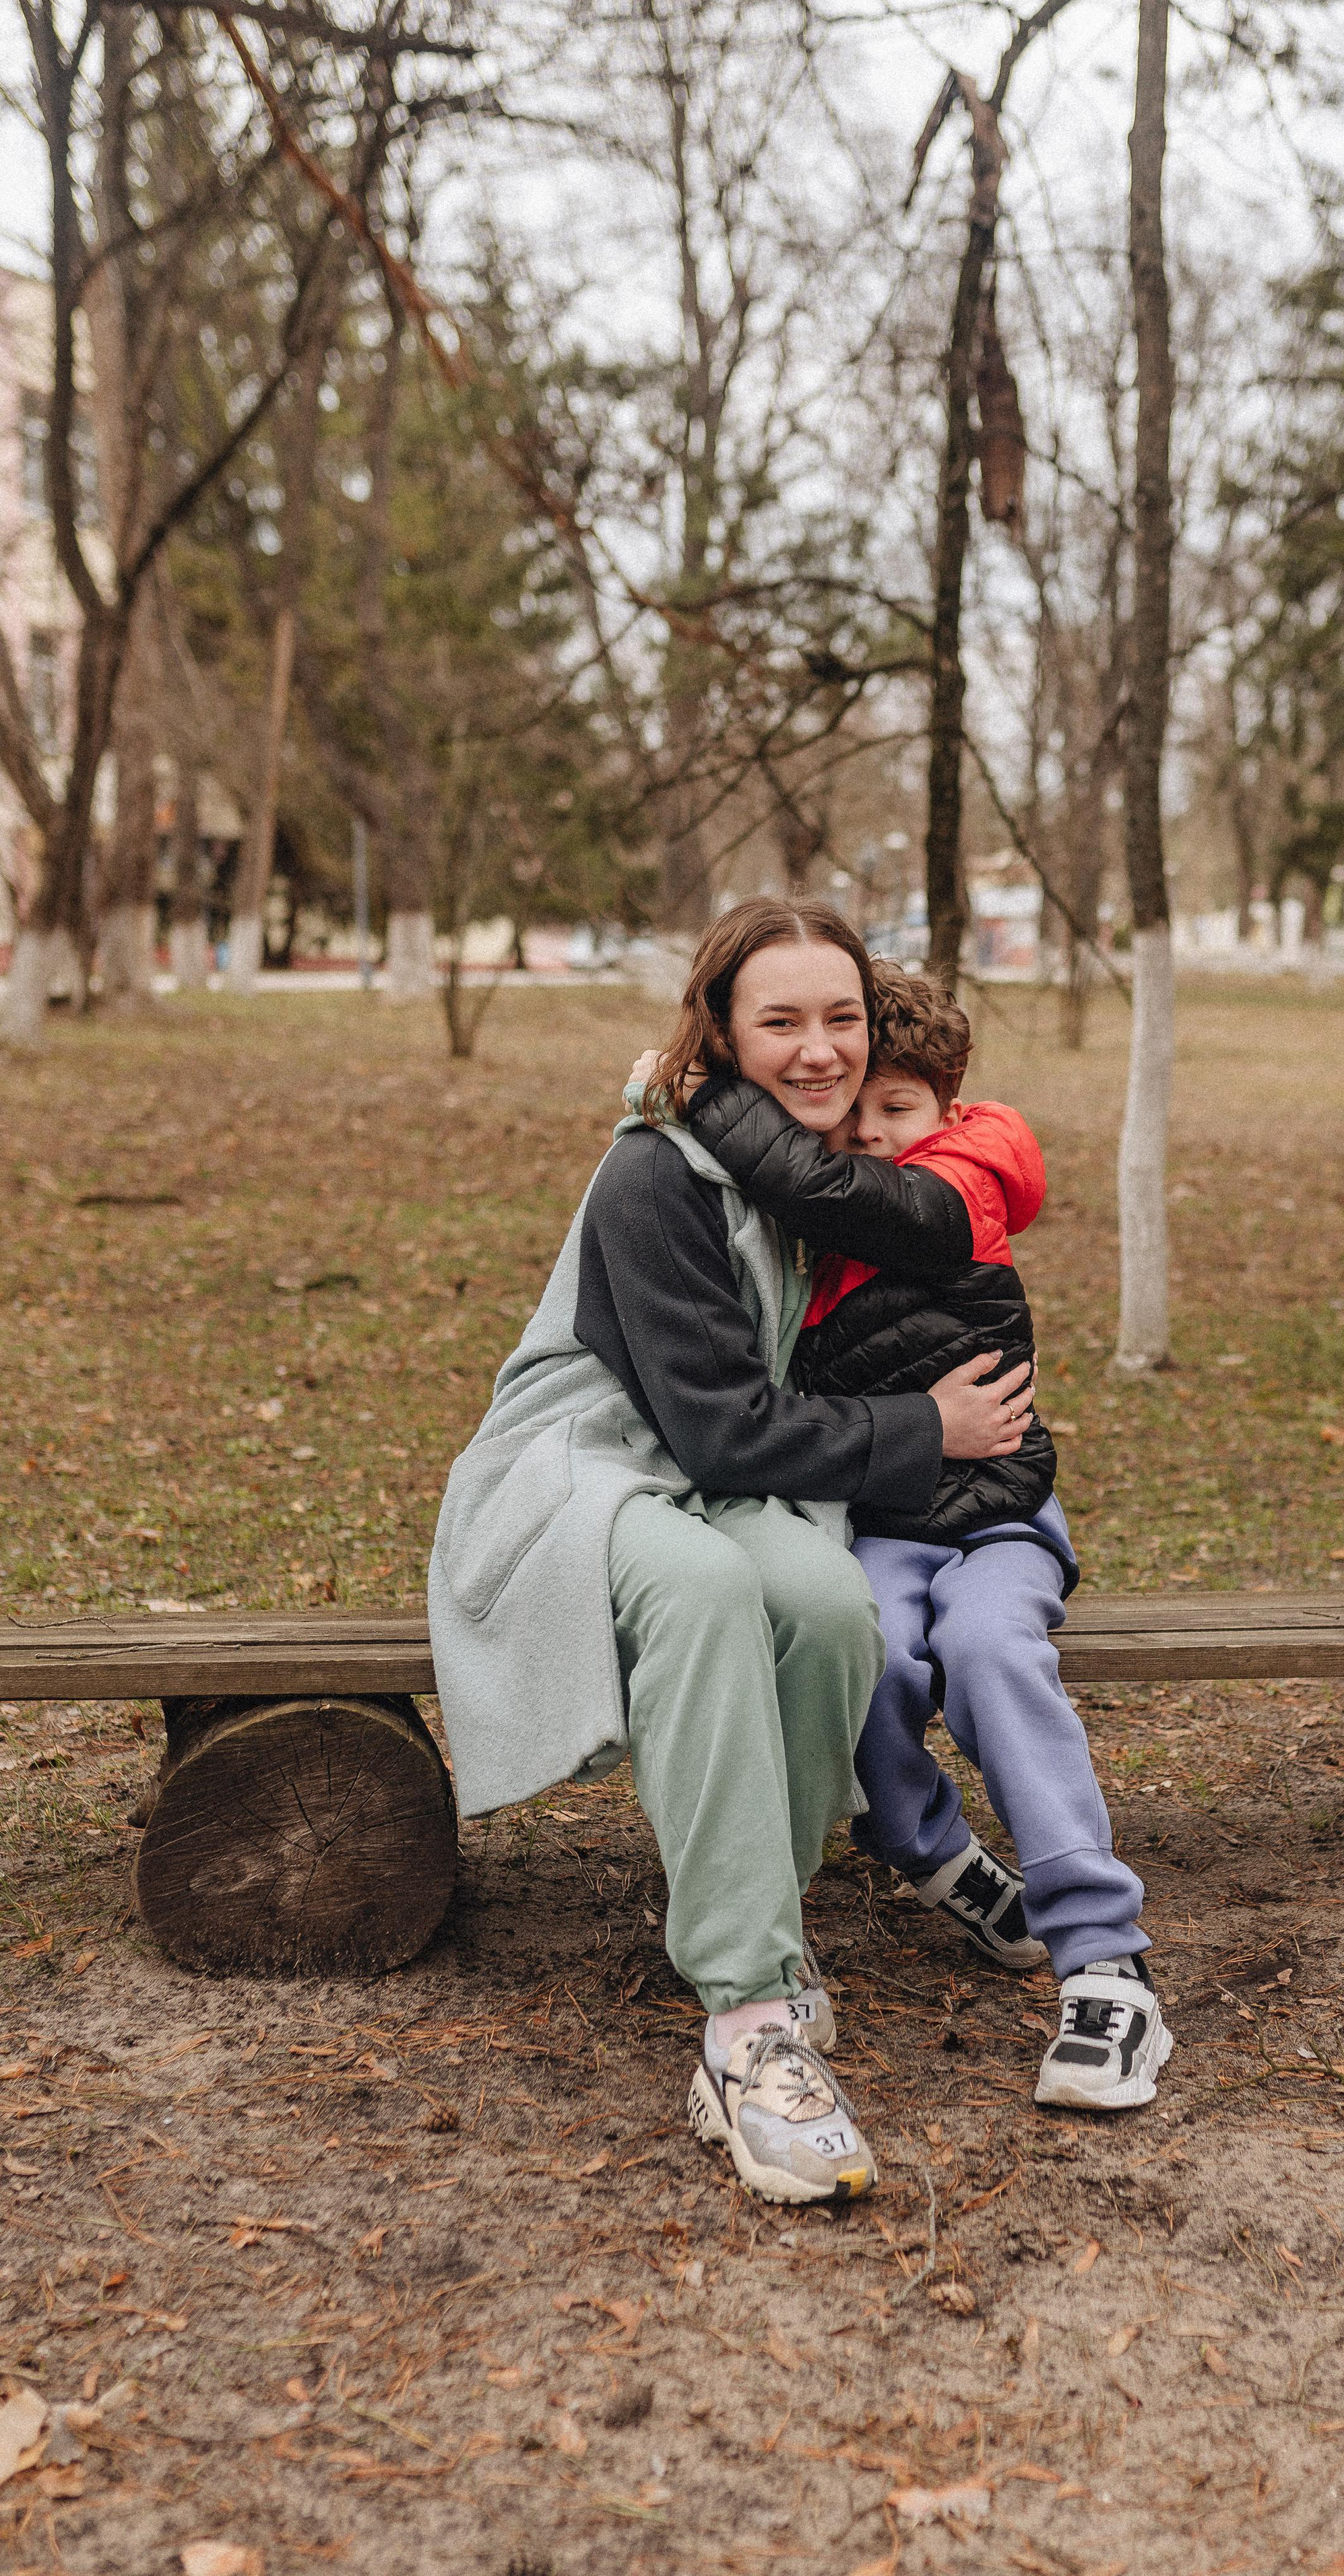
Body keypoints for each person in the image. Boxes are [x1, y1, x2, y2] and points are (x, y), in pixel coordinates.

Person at [428, 901, 1032, 2205]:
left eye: (841, 1020)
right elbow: (709, 1424)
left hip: (732, 1465)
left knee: (822, 1605)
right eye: (780, 1023)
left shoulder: (801, 1166)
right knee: (705, 1593)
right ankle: (745, 2020)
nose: (818, 1052)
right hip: (590, 1463)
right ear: (721, 1030)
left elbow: (946, 1220)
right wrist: (923, 1428)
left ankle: (769, 1899)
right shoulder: (656, 1171)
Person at [686, 965, 1173, 2114]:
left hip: (1000, 1511)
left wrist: (707, 1092)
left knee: (994, 1651)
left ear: (947, 1110)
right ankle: (939, 1858)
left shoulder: (960, 1177)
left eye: (896, 1112)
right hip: (887, 1524)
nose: (871, 1142)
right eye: (854, 1125)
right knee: (872, 1653)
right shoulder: (807, 1236)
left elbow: (845, 1188)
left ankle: (1107, 1963)